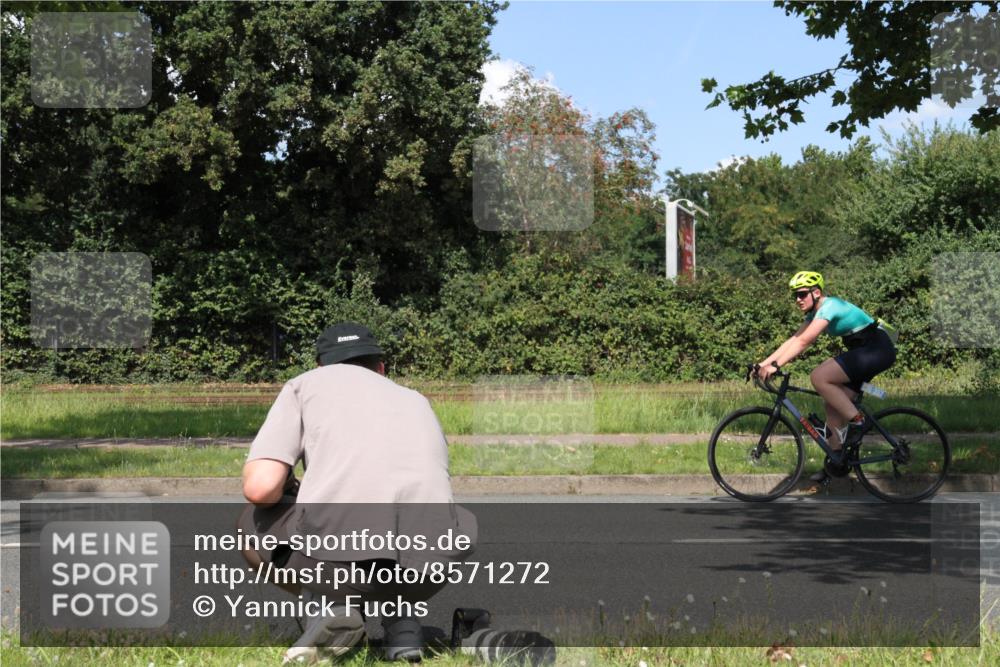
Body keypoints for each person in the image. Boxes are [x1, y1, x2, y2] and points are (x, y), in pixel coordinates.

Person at [240, 322, 475, 664]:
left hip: (341, 564)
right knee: (449, 521)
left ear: (321, 367)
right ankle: (402, 625)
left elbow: (259, 487)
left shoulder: (305, 385)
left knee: (250, 523)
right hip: (429, 568)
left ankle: (328, 611)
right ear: (381, 368)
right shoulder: (415, 399)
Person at [755, 271, 897, 482]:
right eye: (795, 295)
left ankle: (859, 422)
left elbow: (805, 342)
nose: (797, 299)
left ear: (816, 292)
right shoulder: (814, 314)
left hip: (876, 349)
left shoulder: (829, 307)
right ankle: (837, 462)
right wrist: (763, 364)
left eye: (802, 294)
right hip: (864, 352)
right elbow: (794, 339)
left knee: (819, 377)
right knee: (833, 406)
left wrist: (776, 366)